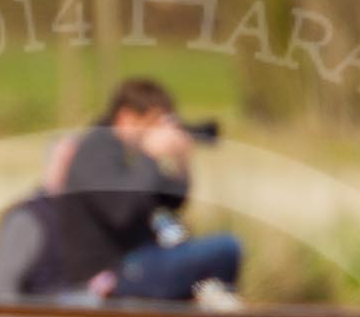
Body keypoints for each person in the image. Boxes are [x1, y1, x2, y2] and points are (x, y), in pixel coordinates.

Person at [51, 77, 241, 302]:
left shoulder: (130, 155)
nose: (156, 131)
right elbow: (121, 211)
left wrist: (181, 163)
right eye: (152, 122)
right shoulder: (95, 149)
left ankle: (208, 315)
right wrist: (149, 156)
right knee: (225, 248)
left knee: (217, 252)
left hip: (136, 263)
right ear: (125, 118)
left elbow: (171, 202)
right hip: (106, 275)